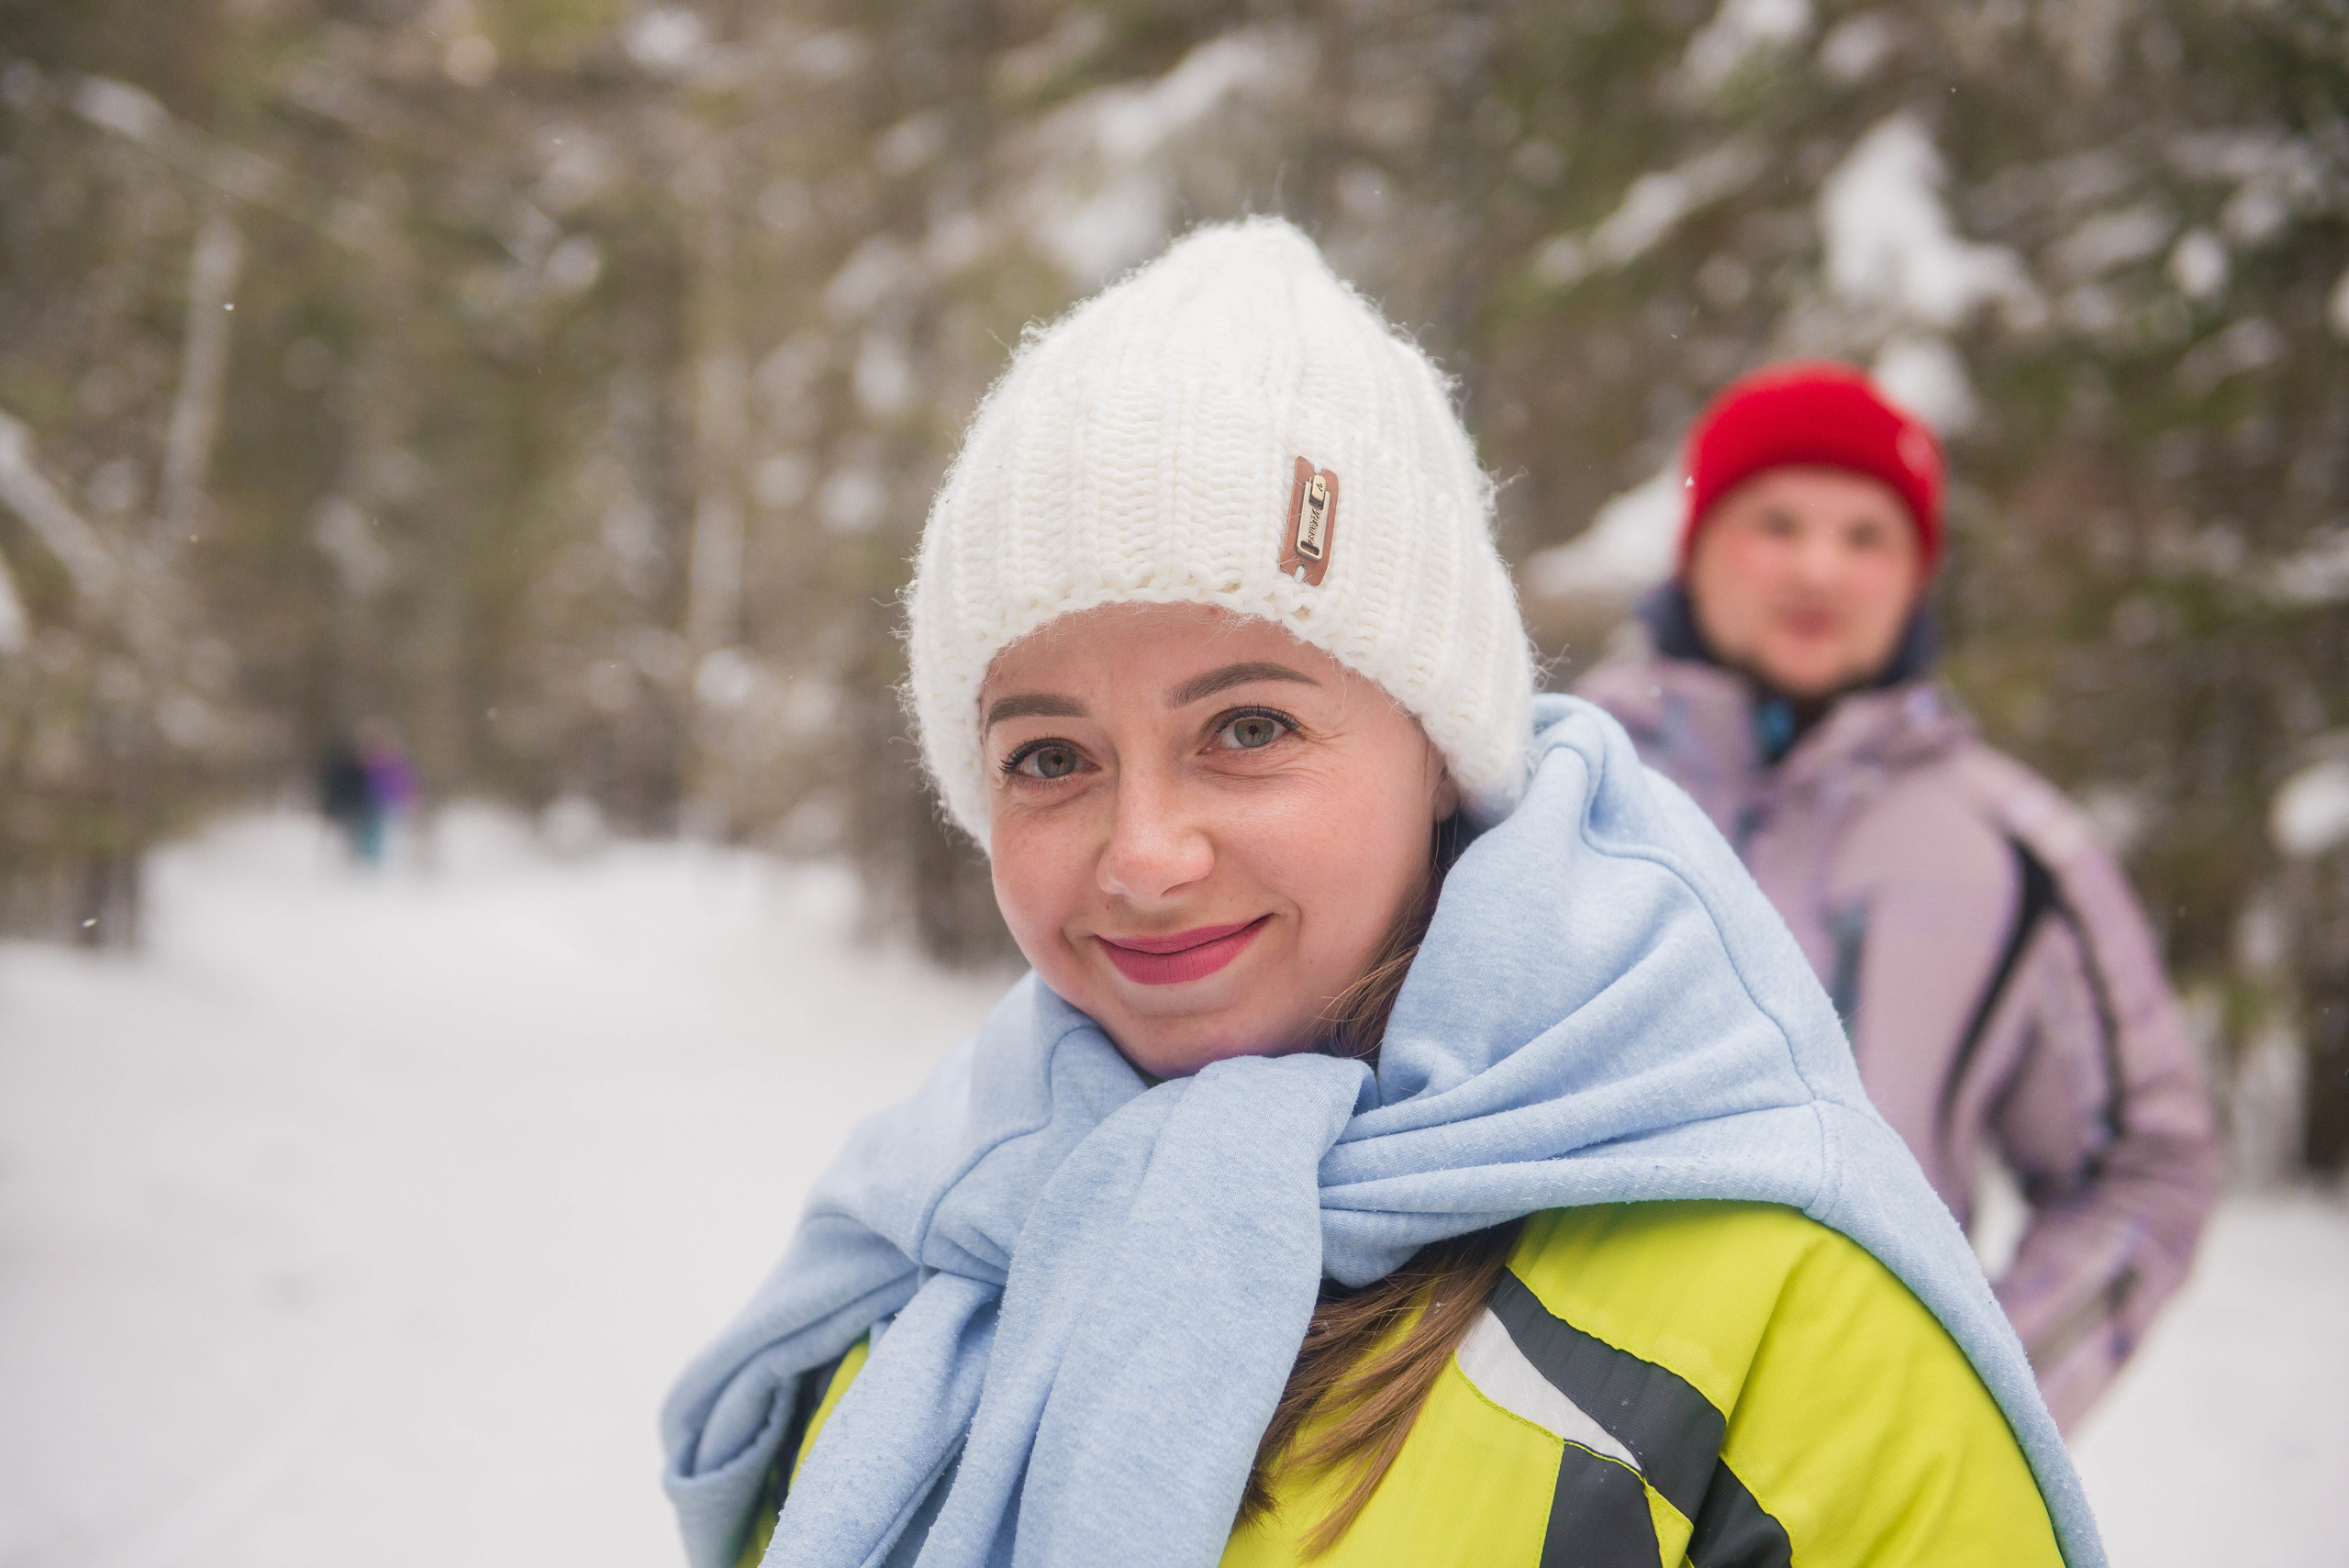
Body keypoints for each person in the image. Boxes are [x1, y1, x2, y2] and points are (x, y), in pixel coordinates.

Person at [662, 224, 2100, 1568]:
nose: (1145, 854)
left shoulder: (1783, 1309)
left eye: (1249, 728)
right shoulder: (929, 1258)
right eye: (1051, 756)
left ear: (1440, 748)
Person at [1577, 362, 2220, 1431]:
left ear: (1917, 575)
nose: (1819, 566)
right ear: (1695, 549)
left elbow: (2146, 1169)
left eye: (1866, 534)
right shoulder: (1545, 783)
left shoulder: (2019, 851)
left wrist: (1967, 1405)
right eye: (1774, 521)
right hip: (1527, 1436)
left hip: (1844, 1480)